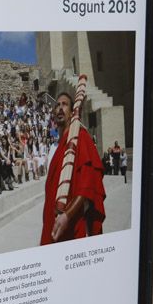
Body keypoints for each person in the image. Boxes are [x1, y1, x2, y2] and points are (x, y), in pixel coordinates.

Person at [40, 92, 106, 245]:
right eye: (57, 105)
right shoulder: (56, 147)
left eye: (65, 104)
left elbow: (86, 188)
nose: (60, 108)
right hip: (53, 224)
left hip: (71, 227)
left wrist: (67, 216)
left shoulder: (81, 138)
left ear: (72, 112)